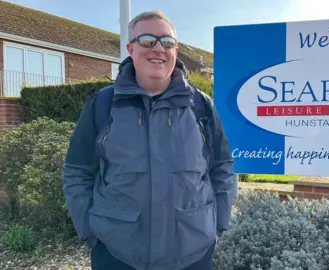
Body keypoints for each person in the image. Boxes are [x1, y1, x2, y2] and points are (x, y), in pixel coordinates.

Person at [62, 9, 237, 270]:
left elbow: (222, 167)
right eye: (147, 40)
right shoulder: (103, 105)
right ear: (130, 49)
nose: (158, 48)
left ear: (175, 52)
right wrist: (91, 232)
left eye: (167, 42)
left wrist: (218, 224)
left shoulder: (200, 106)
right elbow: (77, 171)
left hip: (193, 254)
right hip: (117, 254)